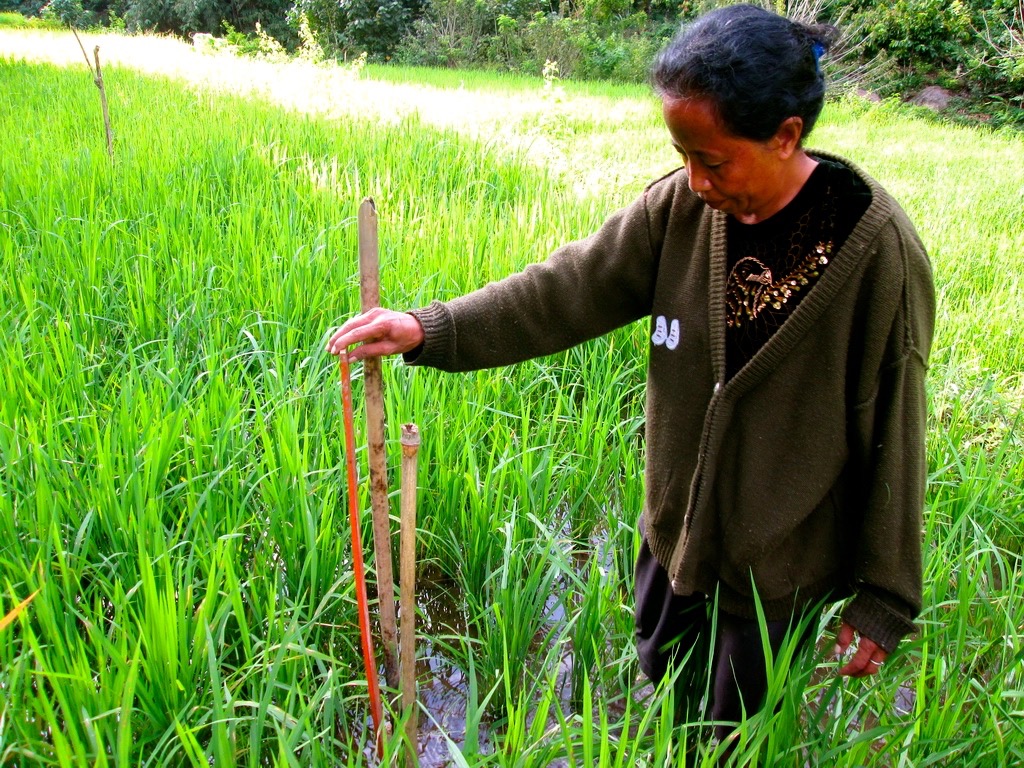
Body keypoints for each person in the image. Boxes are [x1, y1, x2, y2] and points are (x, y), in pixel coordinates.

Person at [327, 2, 935, 754]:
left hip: (776, 568)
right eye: (682, 154)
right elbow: (565, 290)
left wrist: (884, 598)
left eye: (713, 160)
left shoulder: (874, 253)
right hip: (674, 536)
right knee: (668, 702)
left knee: (734, 736)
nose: (694, 180)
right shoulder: (680, 211)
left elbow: (897, 431)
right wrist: (430, 328)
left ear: (786, 136)